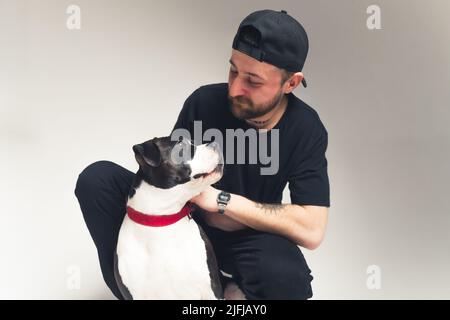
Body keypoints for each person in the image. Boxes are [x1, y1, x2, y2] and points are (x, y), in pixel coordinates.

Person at [75, 9, 330, 300]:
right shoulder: (204, 101)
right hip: (184, 223)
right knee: (98, 180)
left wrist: (222, 201)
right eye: (233, 69)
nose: (235, 88)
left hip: (248, 237)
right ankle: (133, 288)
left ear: (291, 83)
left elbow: (312, 229)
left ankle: (229, 293)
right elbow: (168, 174)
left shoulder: (306, 128)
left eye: (253, 81)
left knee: (288, 278)